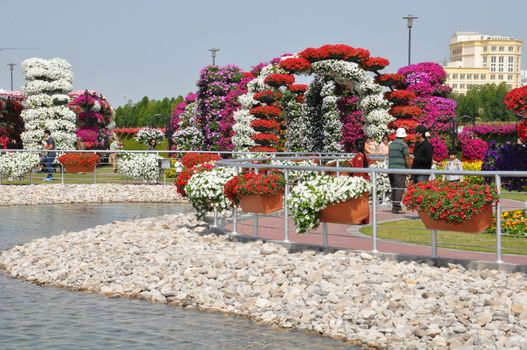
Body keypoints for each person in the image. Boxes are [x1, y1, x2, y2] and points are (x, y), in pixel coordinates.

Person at [388, 128, 411, 214]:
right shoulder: (403, 145)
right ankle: (396, 207)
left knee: (394, 188)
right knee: (400, 188)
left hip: (390, 168)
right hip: (400, 169)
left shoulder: (391, 144)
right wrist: (409, 168)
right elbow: (407, 158)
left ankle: (394, 206)